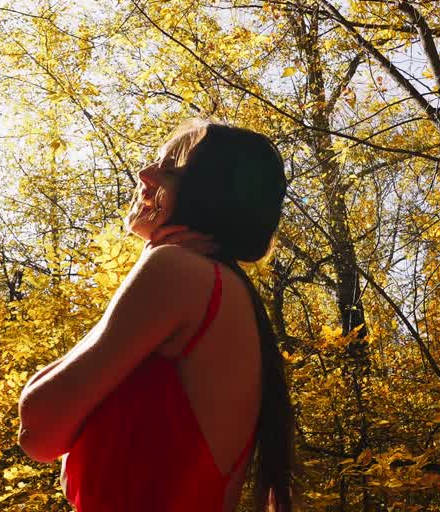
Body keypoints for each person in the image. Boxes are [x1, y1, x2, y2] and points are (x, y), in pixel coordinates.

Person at [18, 119, 294, 512]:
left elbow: (37, 430)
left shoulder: (178, 271)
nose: (144, 174)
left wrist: (150, 261)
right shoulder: (226, 291)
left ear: (210, 194)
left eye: (171, 170)